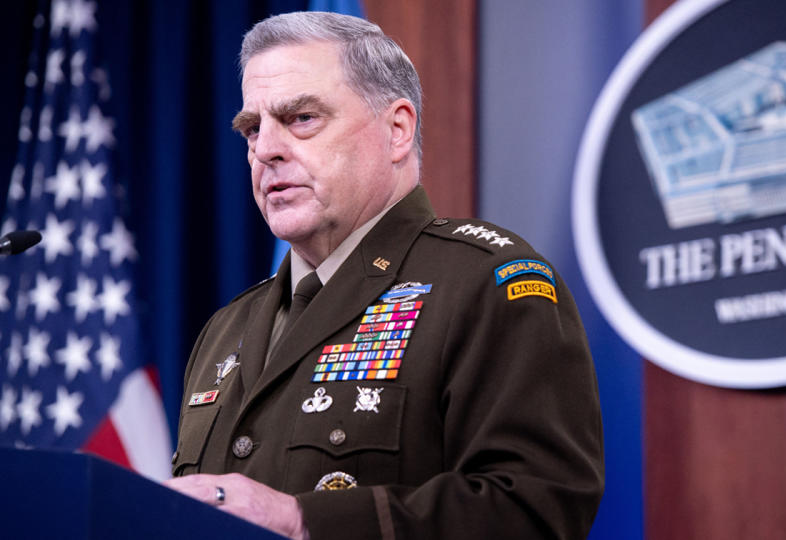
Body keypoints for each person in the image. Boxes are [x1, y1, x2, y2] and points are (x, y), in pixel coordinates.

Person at [163, 11, 604, 540]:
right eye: (253, 128)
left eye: (301, 118)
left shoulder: (485, 283)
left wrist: (303, 521)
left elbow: (536, 508)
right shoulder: (226, 329)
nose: (266, 150)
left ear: (397, 130)